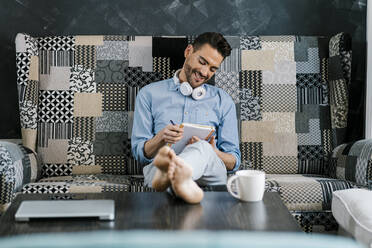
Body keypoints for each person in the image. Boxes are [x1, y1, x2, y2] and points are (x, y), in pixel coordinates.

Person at [131, 32, 240, 204]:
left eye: (212, 69)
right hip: (161, 167)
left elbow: (234, 161)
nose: (204, 72)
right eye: (202, 62)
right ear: (188, 51)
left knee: (203, 148)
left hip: (208, 170)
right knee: (163, 163)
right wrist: (160, 138)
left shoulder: (223, 100)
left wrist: (214, 151)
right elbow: (140, 154)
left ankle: (173, 177)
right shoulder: (149, 94)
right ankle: (181, 184)